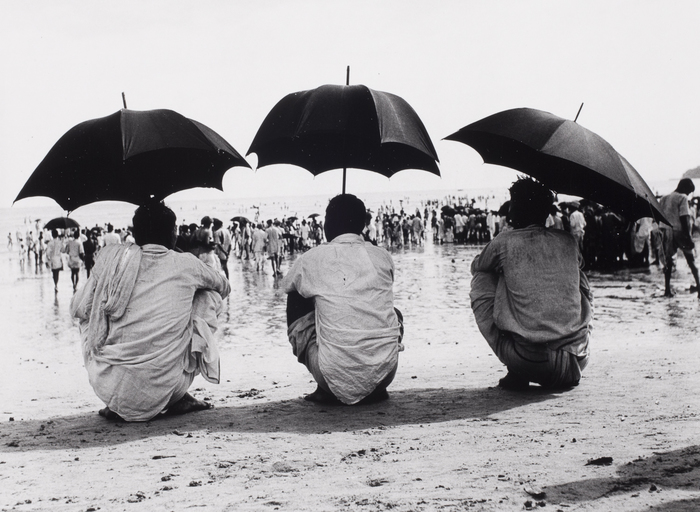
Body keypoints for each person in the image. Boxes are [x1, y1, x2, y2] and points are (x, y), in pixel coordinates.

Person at [70, 201, 231, 422]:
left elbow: (77, 308)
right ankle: (179, 398)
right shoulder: (186, 263)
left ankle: (118, 402)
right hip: (168, 385)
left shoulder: (115, 260)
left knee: (89, 312)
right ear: (173, 233)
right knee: (208, 296)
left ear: (135, 234)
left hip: (108, 385)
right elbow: (224, 287)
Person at [470, 178, 592, 390]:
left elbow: (477, 266)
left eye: (513, 205)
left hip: (529, 361)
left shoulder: (504, 241)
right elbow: (580, 274)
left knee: (483, 277)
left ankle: (516, 373)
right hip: (578, 358)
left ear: (517, 209)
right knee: (579, 278)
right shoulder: (568, 240)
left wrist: (507, 267)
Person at [284, 194, 404, 405]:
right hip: (386, 373)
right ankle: (374, 386)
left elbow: (287, 285)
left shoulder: (311, 258)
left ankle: (322, 388)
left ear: (328, 224)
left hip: (331, 377)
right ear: (362, 225)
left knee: (297, 294)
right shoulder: (382, 255)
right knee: (394, 314)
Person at [658, 178, 700, 298]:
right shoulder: (682, 197)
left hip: (666, 231)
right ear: (685, 188)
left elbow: (659, 216)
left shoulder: (664, 198)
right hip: (679, 231)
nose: (688, 194)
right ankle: (699, 286)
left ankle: (667, 289)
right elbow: (684, 217)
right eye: (689, 192)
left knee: (668, 261)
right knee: (690, 260)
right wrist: (688, 237)